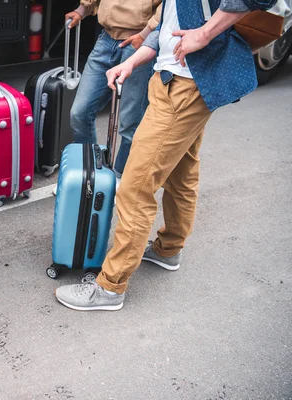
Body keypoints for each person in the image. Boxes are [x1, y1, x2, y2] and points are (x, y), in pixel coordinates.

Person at [55, 0, 277, 311]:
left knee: (134, 188)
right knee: (180, 173)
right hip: (178, 78)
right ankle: (168, 249)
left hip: (185, 84)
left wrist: (204, 34)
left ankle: (109, 288)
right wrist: (134, 61)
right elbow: (169, 22)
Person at [60, 0, 163, 194]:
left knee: (130, 123)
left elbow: (167, 7)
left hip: (139, 43)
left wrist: (144, 35)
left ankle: (119, 178)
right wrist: (82, 10)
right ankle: (91, 174)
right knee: (80, 113)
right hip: (106, 40)